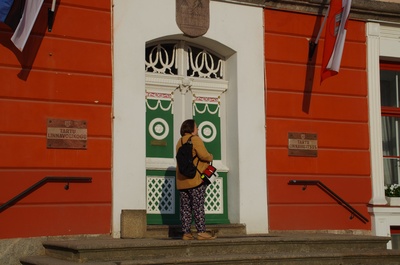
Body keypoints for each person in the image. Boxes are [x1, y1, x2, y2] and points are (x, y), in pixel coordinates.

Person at [176, 119, 216, 240]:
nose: (198, 129)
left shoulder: (180, 141)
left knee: (185, 207)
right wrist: (211, 156)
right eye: (196, 127)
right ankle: (201, 231)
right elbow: (204, 155)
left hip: (182, 180)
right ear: (192, 129)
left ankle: (186, 232)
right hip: (195, 179)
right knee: (198, 205)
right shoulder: (195, 139)